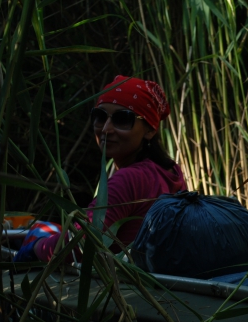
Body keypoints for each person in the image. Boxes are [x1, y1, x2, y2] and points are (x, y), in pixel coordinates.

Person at [14, 75, 187, 262]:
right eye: (100, 116)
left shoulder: (130, 179)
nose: (106, 129)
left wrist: (36, 248)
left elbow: (82, 242)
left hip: (124, 278)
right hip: (154, 273)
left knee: (35, 236)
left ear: (150, 130)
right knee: (44, 228)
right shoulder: (171, 171)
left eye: (122, 119)